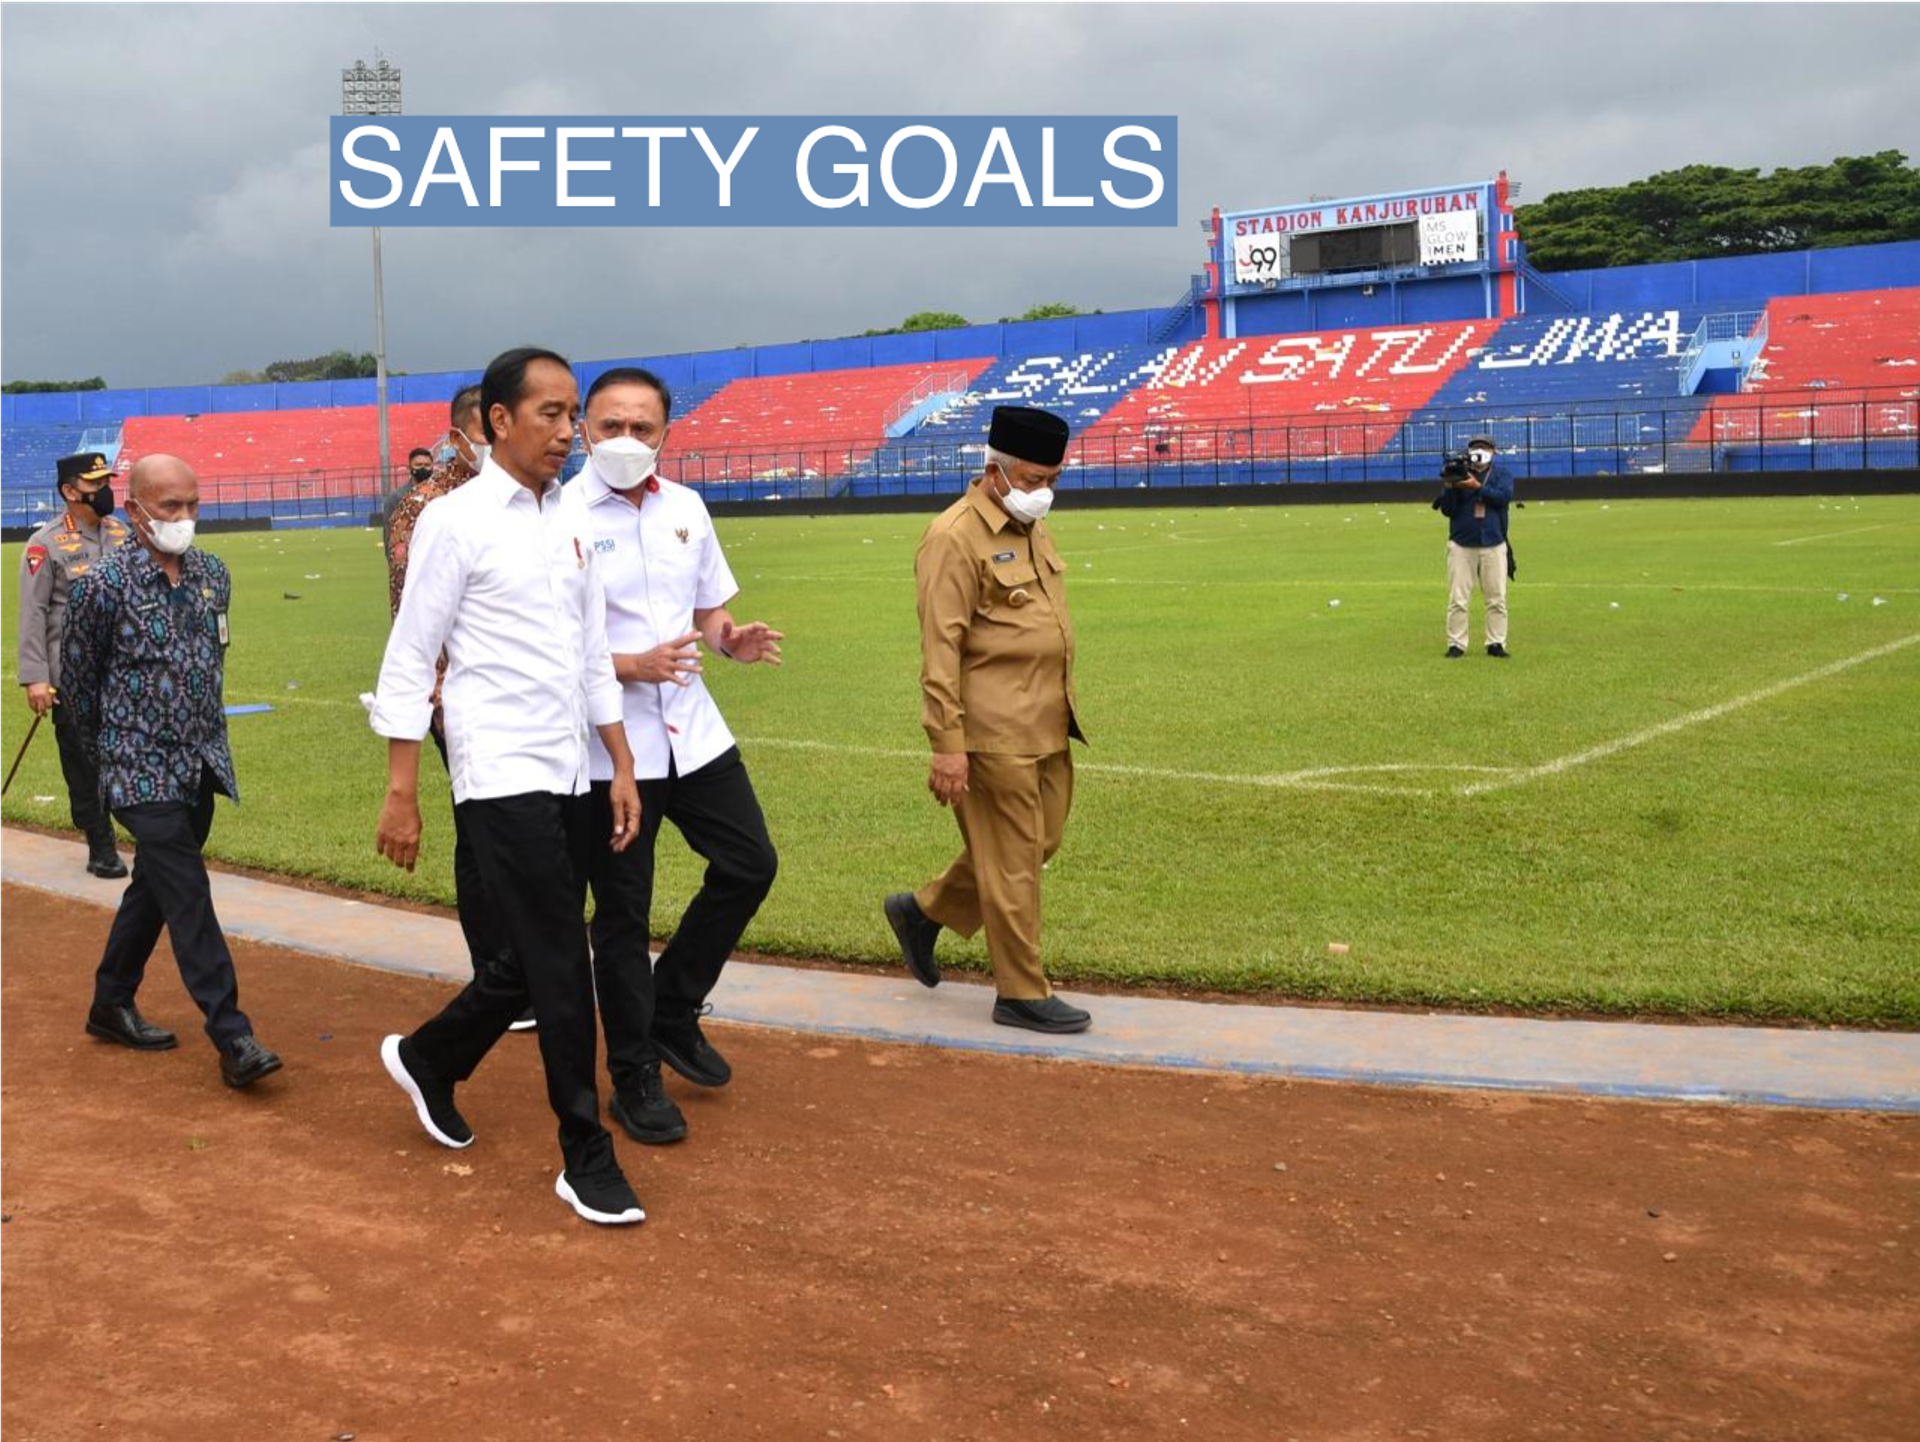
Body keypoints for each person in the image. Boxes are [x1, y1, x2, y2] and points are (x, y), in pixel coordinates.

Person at [370, 347, 648, 1227]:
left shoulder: (571, 519)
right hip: (498, 771)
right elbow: (412, 656)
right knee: (564, 960)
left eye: (574, 416)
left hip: (572, 764)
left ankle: (431, 1056)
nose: (570, 432)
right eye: (553, 415)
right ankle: (585, 1155)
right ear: (498, 421)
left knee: (530, 956)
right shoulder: (455, 520)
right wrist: (403, 790)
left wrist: (621, 763)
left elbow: (592, 651)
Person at [575, 367, 782, 1145]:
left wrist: (731, 638)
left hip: (693, 730)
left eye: (643, 428)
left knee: (749, 863)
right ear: (583, 430)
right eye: (610, 426)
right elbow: (562, 647)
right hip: (609, 748)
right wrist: (633, 666)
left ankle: (672, 1007)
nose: (626, 441)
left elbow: (709, 607)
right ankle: (633, 1078)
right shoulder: (559, 517)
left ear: (665, 432)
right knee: (622, 916)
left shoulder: (687, 507)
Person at [59, 454, 282, 1088]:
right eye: (169, 507)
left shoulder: (214, 574)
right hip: (137, 766)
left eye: (192, 505)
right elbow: (78, 686)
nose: (184, 519)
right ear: (134, 510)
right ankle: (233, 1035)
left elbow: (213, 658)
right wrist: (111, 760)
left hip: (201, 762)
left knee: (156, 885)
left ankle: (110, 1001)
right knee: (186, 890)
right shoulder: (102, 586)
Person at [883, 405, 1091, 1035]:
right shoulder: (953, 538)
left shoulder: (1032, 528)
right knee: (1014, 864)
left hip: (1048, 723)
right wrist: (948, 744)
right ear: (994, 471)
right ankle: (1021, 992)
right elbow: (939, 651)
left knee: (1038, 843)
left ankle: (925, 911)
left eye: (1053, 478)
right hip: (991, 731)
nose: (1043, 492)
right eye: (1032, 479)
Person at [382, 384, 534, 1032]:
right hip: (452, 697)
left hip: (507, 695)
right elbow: (414, 623)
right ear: (468, 432)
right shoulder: (426, 507)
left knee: (493, 838)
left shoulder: (506, 500)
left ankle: (507, 971)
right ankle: (498, 973)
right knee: (482, 839)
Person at [16, 452, 133, 878]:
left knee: (128, 755)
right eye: (94, 485)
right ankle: (100, 843)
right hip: (72, 677)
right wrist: (35, 679)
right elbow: (33, 613)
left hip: (126, 674)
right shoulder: (44, 544)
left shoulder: (124, 533)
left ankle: (136, 830)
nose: (104, 492)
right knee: (85, 763)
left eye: (106, 482)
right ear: (69, 491)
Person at [1434, 433, 1516, 659]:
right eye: (1476, 447)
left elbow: (1503, 498)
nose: (1480, 452)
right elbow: (1448, 510)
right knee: (1458, 598)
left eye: (1485, 447)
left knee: (1497, 597)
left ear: (1493, 452)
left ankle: (1496, 642)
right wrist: (1451, 486)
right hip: (1462, 543)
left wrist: (1476, 487)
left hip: (1493, 542)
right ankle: (1456, 643)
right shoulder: (1458, 472)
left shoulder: (1502, 475)